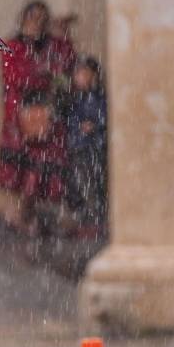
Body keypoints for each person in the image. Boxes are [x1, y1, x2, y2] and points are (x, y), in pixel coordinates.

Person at [0, 0, 77, 235]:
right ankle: (20, 216)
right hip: (20, 116)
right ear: (24, 19)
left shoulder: (54, 45)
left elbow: (65, 64)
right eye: (33, 18)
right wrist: (44, 75)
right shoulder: (13, 45)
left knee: (44, 170)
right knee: (20, 173)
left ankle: (34, 218)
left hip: (47, 114)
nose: (37, 23)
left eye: (42, 18)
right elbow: (16, 77)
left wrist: (63, 35)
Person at [65, 56, 108, 237]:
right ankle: (86, 218)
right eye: (77, 73)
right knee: (80, 183)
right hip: (79, 146)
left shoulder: (99, 97)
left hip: (95, 146)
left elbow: (105, 115)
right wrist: (77, 127)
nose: (79, 77)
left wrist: (95, 125)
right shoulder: (75, 99)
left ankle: (96, 219)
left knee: (95, 184)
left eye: (83, 73)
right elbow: (70, 118)